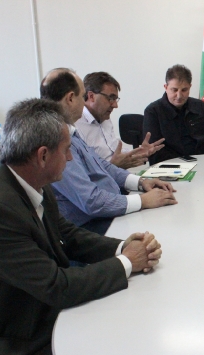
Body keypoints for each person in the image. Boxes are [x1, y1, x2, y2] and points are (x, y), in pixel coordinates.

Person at [0, 98, 163, 355]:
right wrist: (127, 263)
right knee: (126, 342)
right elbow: (57, 286)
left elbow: (67, 235)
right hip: (10, 350)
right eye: (67, 150)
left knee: (130, 314)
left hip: (29, 310)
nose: (72, 159)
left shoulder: (26, 179)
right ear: (43, 155)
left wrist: (123, 246)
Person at [41, 68, 177, 236]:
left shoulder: (69, 130)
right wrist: (142, 201)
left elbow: (101, 164)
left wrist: (140, 182)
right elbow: (91, 201)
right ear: (70, 98)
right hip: (88, 227)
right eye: (82, 96)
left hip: (106, 211)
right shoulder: (55, 140)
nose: (84, 103)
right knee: (163, 230)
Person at [143, 64, 204, 164]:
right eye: (174, 90)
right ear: (166, 87)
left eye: (184, 90)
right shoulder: (153, 111)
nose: (179, 96)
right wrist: (185, 163)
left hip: (202, 163)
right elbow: (153, 149)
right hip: (169, 167)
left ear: (190, 87)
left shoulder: (200, 106)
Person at [75, 71, 145, 169]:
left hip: (119, 178)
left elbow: (112, 152)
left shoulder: (104, 117)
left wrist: (138, 152)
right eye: (111, 98)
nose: (115, 105)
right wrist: (113, 167)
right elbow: (84, 173)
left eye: (116, 99)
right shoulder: (76, 125)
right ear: (91, 96)